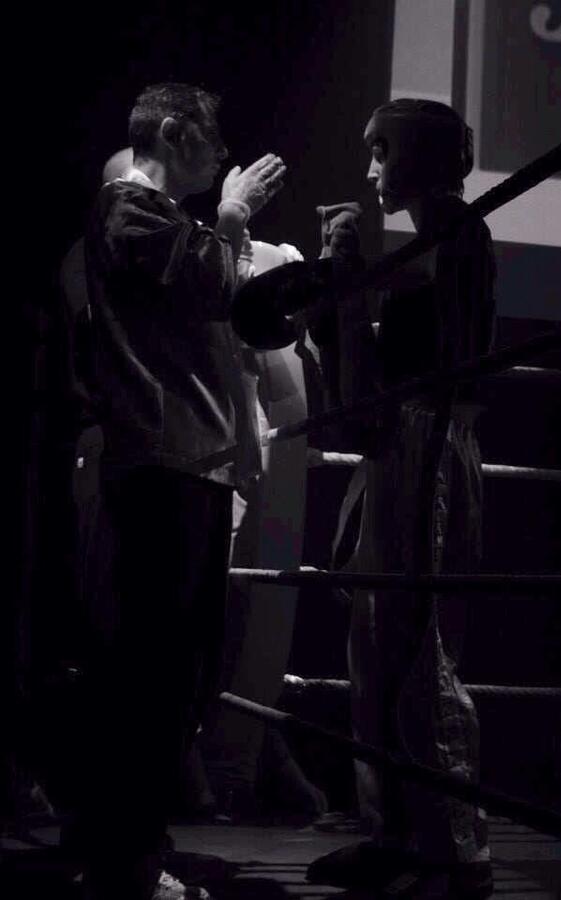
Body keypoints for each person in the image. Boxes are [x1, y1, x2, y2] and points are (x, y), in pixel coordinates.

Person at [233, 98, 496, 898]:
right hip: (399, 450)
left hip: (427, 447)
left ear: (424, 155)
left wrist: (346, 284)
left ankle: (453, 849)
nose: (373, 169)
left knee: (418, 650)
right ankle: (396, 834)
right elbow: (366, 388)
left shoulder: (458, 236)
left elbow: (428, 377)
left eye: (385, 150)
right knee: (375, 651)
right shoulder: (427, 245)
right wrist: (342, 286)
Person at [76, 82, 285, 900]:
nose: (224, 152)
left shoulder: (155, 218)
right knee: (157, 673)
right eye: (212, 135)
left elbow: (226, 311)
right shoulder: (129, 208)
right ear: (172, 132)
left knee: (172, 671)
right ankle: (128, 860)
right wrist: (232, 217)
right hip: (166, 460)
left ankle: (130, 850)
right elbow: (219, 292)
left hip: (186, 459)